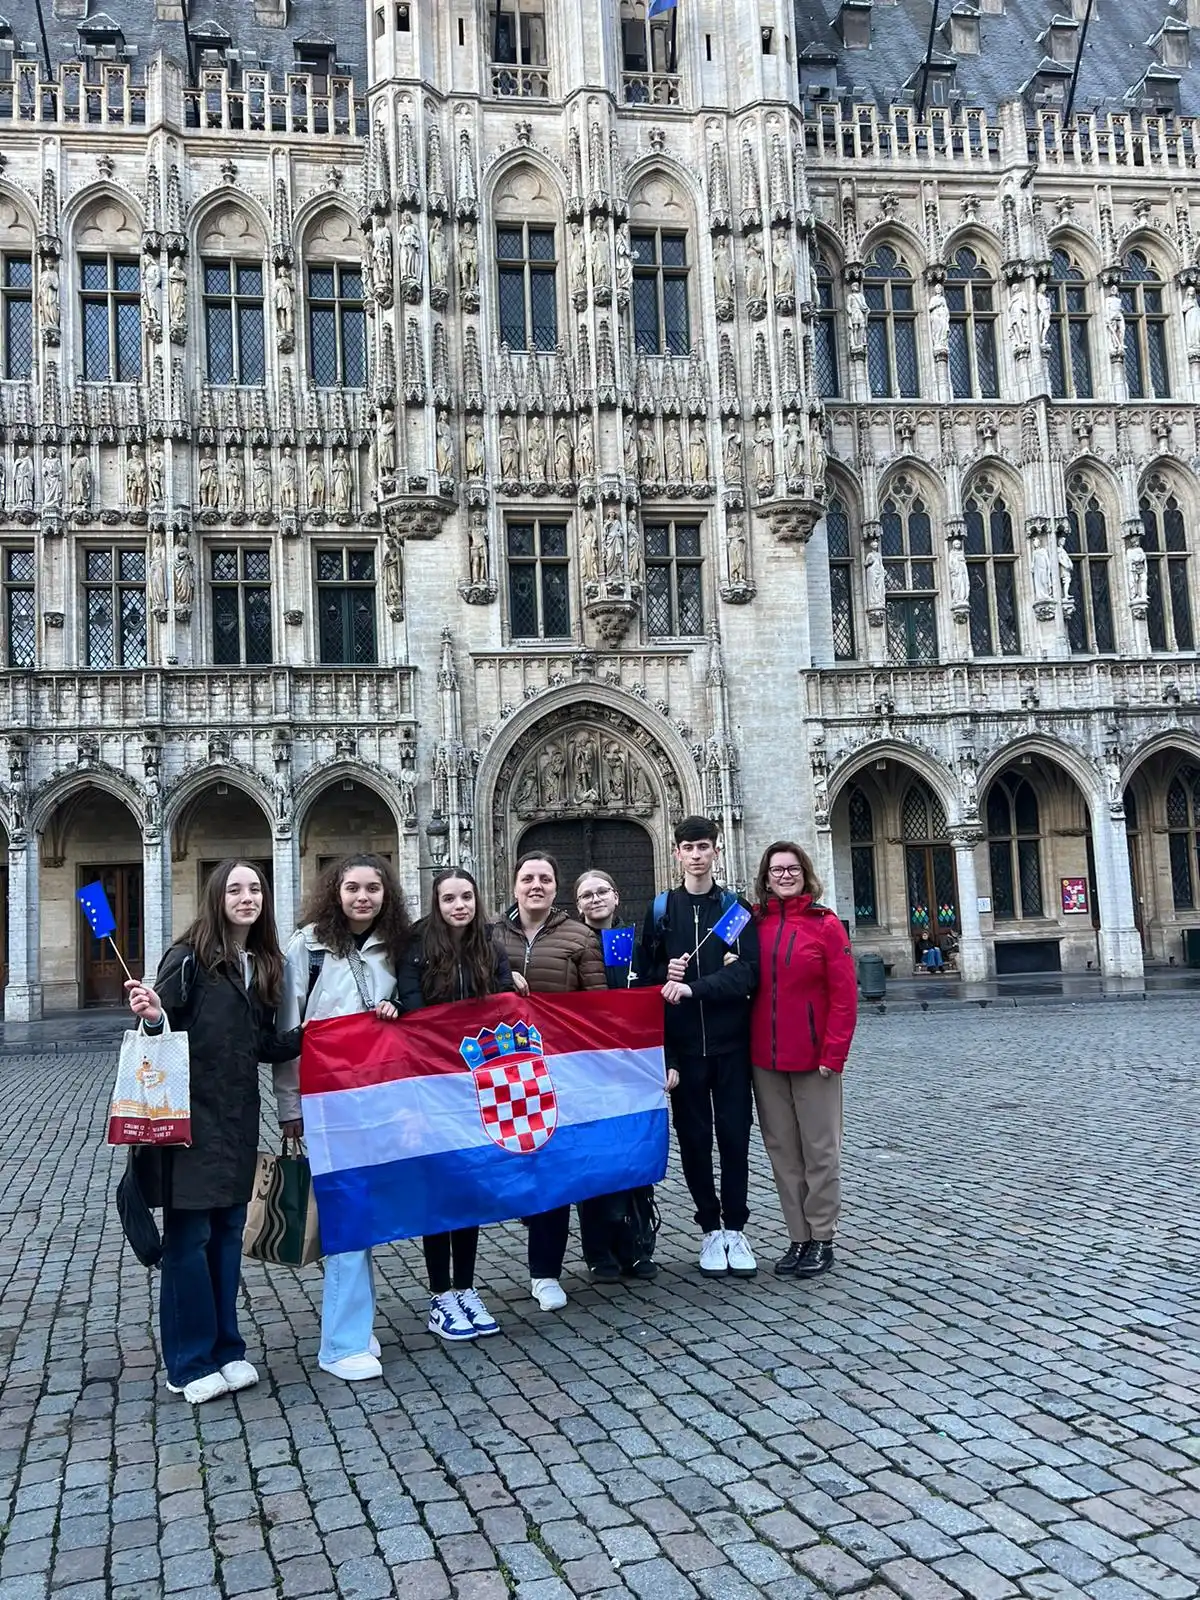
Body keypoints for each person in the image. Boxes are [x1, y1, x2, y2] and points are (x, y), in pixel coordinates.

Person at [124, 860, 302, 1406]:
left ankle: (227, 1348)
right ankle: (188, 1360)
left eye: (255, 889)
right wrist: (153, 1015)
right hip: (187, 1120)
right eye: (235, 889)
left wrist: (318, 1032)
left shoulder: (261, 963)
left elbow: (264, 1045)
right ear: (215, 896)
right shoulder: (188, 959)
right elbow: (155, 1035)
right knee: (190, 1237)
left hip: (236, 1118)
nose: (247, 897)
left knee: (227, 1234)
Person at [276, 854, 411, 1381]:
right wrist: (291, 1109)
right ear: (335, 891)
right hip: (329, 1103)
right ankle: (341, 1343)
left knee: (366, 1213)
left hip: (378, 1100)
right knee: (348, 1215)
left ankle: (358, 1323)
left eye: (373, 887)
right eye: (352, 887)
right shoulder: (306, 948)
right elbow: (290, 1032)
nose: (362, 897)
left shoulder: (394, 946)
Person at [393, 868, 512, 1342]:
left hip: (477, 1085)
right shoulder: (417, 946)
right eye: (449, 898)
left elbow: (504, 1004)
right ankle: (440, 1293)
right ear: (436, 902)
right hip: (432, 1083)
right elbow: (415, 1009)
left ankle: (465, 1286)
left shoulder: (490, 945)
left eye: (466, 896)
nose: (459, 905)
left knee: (469, 1189)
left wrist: (514, 993)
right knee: (438, 1188)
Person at [638, 817, 760, 1278]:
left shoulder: (734, 909)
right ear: (676, 853)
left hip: (730, 1046)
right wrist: (662, 980)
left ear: (716, 851)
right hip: (685, 1050)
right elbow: (644, 983)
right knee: (693, 1142)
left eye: (703, 847)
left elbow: (747, 973)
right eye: (688, 847)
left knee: (733, 1138)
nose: (696, 855)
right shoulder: (660, 911)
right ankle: (709, 1228)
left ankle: (736, 1228)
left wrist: (694, 988)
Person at [495, 853, 606, 1310]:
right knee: (512, 1167)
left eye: (544, 878)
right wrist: (504, 974)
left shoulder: (579, 936)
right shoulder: (490, 936)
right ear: (514, 885)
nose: (535, 885)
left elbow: (599, 1008)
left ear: (556, 887)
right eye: (527, 878)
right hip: (501, 1071)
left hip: (559, 1071)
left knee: (551, 1169)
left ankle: (545, 1272)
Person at [749, 842, 857, 1281]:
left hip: (815, 1059)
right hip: (765, 1058)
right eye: (777, 869)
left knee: (820, 1151)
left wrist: (834, 1053)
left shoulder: (826, 925)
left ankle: (823, 1236)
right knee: (782, 1153)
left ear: (804, 873)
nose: (785, 875)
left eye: (792, 868)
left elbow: (845, 998)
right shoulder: (753, 924)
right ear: (766, 876)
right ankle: (798, 1237)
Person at [574, 870, 678, 1283]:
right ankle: (599, 1251)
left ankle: (637, 1244)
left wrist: (665, 1059)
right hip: (585, 1069)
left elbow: (653, 1008)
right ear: (576, 904)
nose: (595, 899)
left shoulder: (634, 945)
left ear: (616, 897)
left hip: (632, 1068)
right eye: (586, 895)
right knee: (592, 1159)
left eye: (602, 891)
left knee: (634, 1152)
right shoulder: (568, 945)